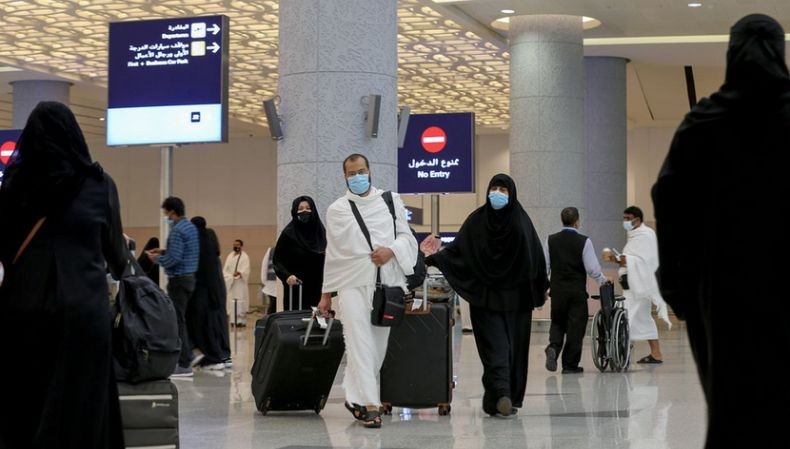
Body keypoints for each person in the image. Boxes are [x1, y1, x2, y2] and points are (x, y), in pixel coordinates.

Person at [652, 14, 790, 449]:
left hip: (721, 292)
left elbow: (669, 204)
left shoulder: (703, 124)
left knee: (732, 405)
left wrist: (677, 288)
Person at [0, 101, 128, 448]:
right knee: (83, 403)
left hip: (21, 310)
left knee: (25, 402)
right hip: (84, 312)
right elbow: (116, 252)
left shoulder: (13, 185)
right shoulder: (99, 184)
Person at [420, 174, 549, 417]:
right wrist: (432, 257)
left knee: (513, 351)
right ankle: (502, 393)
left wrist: (539, 289)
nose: (497, 193)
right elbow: (458, 253)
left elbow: (535, 260)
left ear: (511, 194)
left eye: (503, 189)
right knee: (496, 349)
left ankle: (498, 400)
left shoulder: (521, 223)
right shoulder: (477, 222)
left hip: (516, 301)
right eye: (494, 188)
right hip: (485, 298)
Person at [317, 153, 417, 429]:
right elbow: (334, 254)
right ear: (344, 176)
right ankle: (370, 405)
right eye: (351, 173)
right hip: (351, 284)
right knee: (359, 342)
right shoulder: (337, 209)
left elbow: (407, 238)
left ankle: (354, 398)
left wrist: (390, 251)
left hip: (386, 283)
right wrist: (327, 294)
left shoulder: (390, 201)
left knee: (377, 346)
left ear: (370, 171)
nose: (357, 177)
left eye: (361, 171)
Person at [544, 207, 608, 374]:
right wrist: (603, 281)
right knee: (575, 328)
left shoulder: (550, 240)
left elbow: (545, 267)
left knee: (557, 322)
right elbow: (592, 268)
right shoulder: (584, 241)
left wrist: (543, 288)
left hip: (557, 291)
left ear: (562, 220)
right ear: (577, 222)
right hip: (576, 292)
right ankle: (569, 365)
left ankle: (553, 348)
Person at [603, 206, 670, 364]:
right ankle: (656, 353)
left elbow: (641, 261)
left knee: (627, 318)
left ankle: (622, 354)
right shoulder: (635, 236)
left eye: (628, 218)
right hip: (632, 285)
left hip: (639, 285)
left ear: (637, 220)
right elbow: (633, 257)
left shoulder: (646, 235)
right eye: (624, 218)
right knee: (643, 319)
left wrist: (615, 259)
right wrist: (619, 259)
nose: (625, 221)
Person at [146, 196, 202, 377]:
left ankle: (184, 363)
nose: (166, 216)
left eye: (166, 212)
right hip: (190, 278)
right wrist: (163, 250)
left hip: (178, 280)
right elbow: (185, 251)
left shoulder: (177, 230)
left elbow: (174, 259)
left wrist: (156, 258)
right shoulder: (190, 227)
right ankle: (189, 353)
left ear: (171, 211)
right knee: (182, 318)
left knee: (177, 320)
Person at [187, 217, 231, 370]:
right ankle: (219, 353)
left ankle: (210, 356)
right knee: (214, 325)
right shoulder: (210, 249)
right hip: (215, 294)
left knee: (201, 326)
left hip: (203, 294)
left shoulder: (198, 245)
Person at [273, 196, 327, 311]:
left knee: (317, 326)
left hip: (318, 289)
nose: (304, 211)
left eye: (308, 208)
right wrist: (287, 276)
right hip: (296, 288)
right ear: (294, 211)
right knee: (296, 325)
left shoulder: (321, 233)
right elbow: (277, 260)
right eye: (300, 208)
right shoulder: (288, 234)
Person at [223, 239, 250, 326]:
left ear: (241, 246)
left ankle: (241, 322)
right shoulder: (230, 256)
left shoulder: (245, 257)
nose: (236, 246)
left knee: (240, 301)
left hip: (240, 283)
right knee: (231, 301)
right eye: (234, 245)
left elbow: (246, 270)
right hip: (231, 282)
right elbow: (225, 269)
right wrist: (230, 276)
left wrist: (239, 273)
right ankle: (232, 321)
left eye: (238, 245)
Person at [260, 246, 278, 314]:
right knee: (273, 306)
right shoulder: (271, 251)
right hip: (272, 285)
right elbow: (264, 267)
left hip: (286, 284)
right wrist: (265, 282)